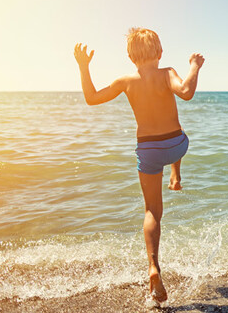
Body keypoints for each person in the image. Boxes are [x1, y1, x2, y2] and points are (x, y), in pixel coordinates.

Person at [73, 28, 205, 303]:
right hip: (175, 145)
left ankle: (153, 266)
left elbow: (92, 97)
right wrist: (194, 66)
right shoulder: (167, 72)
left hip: (147, 150)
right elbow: (186, 92)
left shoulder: (125, 80)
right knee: (181, 135)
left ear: (131, 56)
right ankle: (176, 175)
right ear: (159, 52)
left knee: (152, 211)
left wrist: (84, 67)